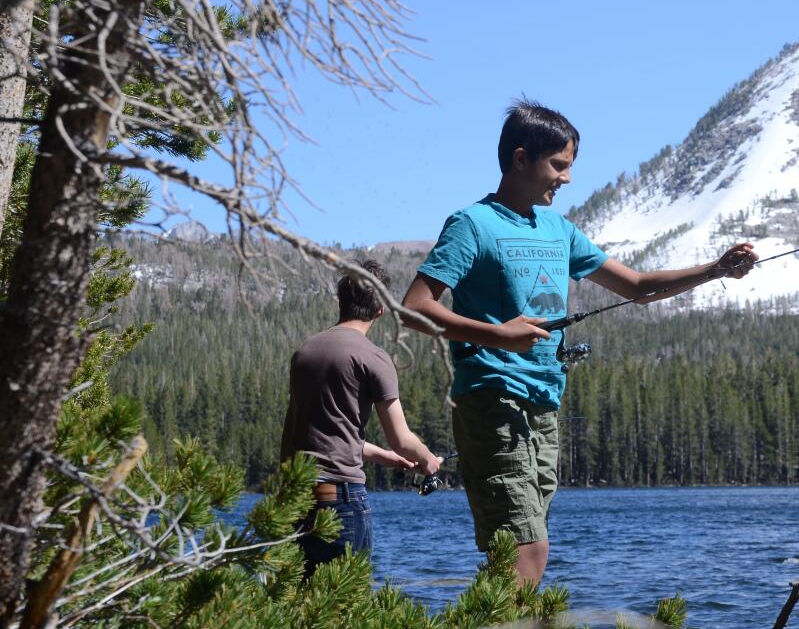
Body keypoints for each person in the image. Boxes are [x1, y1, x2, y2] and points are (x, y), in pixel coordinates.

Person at [402, 99, 757, 585]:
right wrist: (498, 336)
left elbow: (637, 287)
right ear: (521, 157)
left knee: (522, 549)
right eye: (559, 165)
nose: (566, 179)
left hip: (545, 404)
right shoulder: (472, 225)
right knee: (527, 547)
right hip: (491, 400)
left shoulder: (558, 229)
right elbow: (415, 307)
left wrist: (715, 269)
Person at [281, 259, 441, 576]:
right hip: (341, 501)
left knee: (299, 612)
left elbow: (322, 432)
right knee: (343, 609)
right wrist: (426, 459)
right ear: (380, 309)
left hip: (295, 499)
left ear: (341, 302)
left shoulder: (305, 352)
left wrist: (384, 456)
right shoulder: (373, 357)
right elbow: (402, 438)